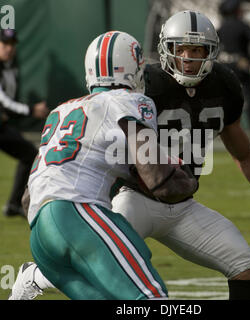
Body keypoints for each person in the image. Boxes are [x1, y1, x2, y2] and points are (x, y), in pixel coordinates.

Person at [10, 11, 250, 301]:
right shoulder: (141, 87)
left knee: (244, 262)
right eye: (182, 49)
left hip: (182, 205)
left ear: (212, 52)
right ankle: (37, 276)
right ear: (164, 50)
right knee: (101, 261)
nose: (189, 59)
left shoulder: (224, 85)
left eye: (198, 50)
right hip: (134, 198)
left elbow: (244, 153)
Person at [9, 30, 198, 300]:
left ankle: (31, 277)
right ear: (134, 69)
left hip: (39, 232)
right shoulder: (131, 102)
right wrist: (186, 179)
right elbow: (160, 181)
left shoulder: (61, 111)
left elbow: (29, 198)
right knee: (150, 299)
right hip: (76, 214)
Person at [0, 29, 49, 217]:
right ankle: (13, 204)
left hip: (3, 127)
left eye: (12, 45)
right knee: (29, 154)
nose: (9, 49)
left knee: (29, 155)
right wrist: (31, 110)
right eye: (4, 44)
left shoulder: (12, 66)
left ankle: (14, 204)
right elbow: (4, 101)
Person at [217, 0, 250, 132]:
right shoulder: (242, 25)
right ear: (236, 11)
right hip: (240, 66)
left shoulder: (221, 28)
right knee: (247, 98)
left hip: (225, 66)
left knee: (224, 99)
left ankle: (223, 128)